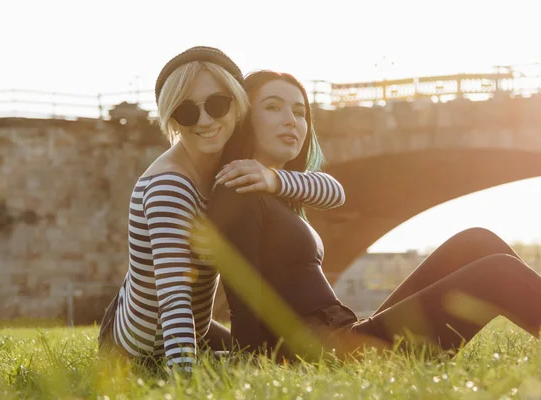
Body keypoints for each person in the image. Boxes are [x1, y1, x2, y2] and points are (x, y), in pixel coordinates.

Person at [207, 70, 541, 362]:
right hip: (331, 352)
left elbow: (334, 192)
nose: (291, 120)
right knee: (500, 273)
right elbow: (244, 297)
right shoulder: (238, 190)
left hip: (346, 334)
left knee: (475, 241)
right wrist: (246, 361)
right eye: (272, 107)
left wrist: (274, 178)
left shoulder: (278, 193)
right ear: (244, 118)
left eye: (299, 111)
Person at [97, 47, 347, 373]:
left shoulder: (224, 165)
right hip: (143, 346)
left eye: (217, 105)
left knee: (266, 354)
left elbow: (335, 193)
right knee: (250, 360)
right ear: (172, 118)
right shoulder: (169, 187)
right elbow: (174, 300)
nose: (205, 121)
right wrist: (184, 379)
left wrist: (273, 179)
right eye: (187, 112)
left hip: (197, 328)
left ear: (238, 105)